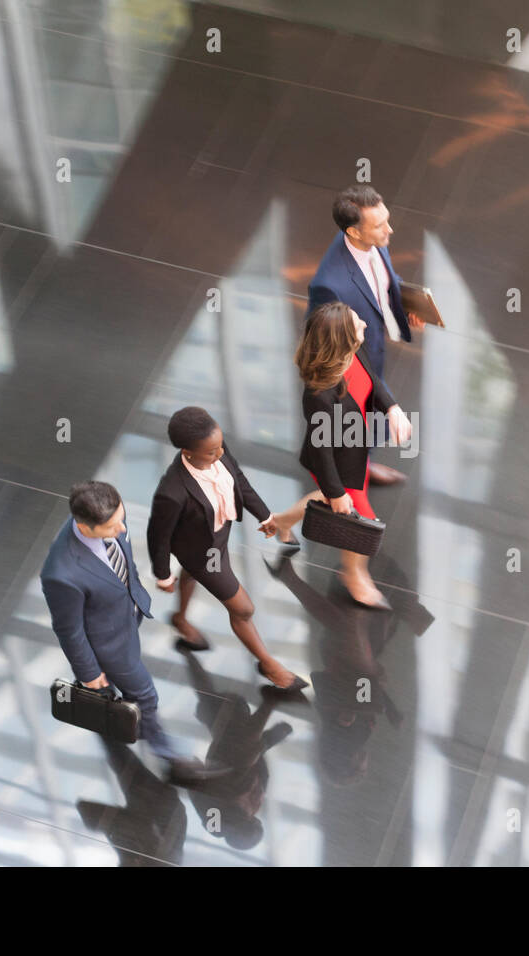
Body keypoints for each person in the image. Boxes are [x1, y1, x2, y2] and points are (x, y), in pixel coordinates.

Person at [40, 480, 224, 785]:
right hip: (107, 643)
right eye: (112, 527)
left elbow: (123, 559)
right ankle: (170, 757)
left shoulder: (107, 513)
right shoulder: (61, 574)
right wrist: (88, 670)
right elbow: (68, 629)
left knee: (107, 689)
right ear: (84, 527)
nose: (122, 529)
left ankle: (102, 699)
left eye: (120, 519)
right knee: (144, 695)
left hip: (125, 615)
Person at [147, 406, 308, 691]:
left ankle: (180, 618)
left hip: (215, 532)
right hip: (202, 554)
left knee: (191, 576)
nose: (220, 454)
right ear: (187, 452)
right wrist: (162, 574)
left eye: (220, 446)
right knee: (243, 608)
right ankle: (268, 665)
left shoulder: (215, 448)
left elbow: (240, 481)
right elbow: (157, 534)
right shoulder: (171, 492)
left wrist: (266, 516)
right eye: (211, 452)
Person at [267, 301, 413, 609]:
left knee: (325, 501)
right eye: (357, 323)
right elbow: (322, 451)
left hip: (354, 447)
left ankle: (281, 522)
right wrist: (336, 491)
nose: (364, 324)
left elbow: (373, 380)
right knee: (361, 521)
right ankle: (353, 573)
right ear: (342, 340)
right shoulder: (319, 396)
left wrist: (393, 408)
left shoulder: (352, 351)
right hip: (338, 463)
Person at [306, 185, 423, 486]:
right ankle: (355, 468)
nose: (390, 230)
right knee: (354, 418)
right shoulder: (329, 286)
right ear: (354, 233)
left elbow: (384, 279)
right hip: (353, 363)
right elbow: (329, 346)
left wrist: (405, 304)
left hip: (370, 345)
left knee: (370, 410)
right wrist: (391, 405)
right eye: (380, 225)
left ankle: (360, 456)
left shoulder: (371, 240)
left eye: (387, 219)